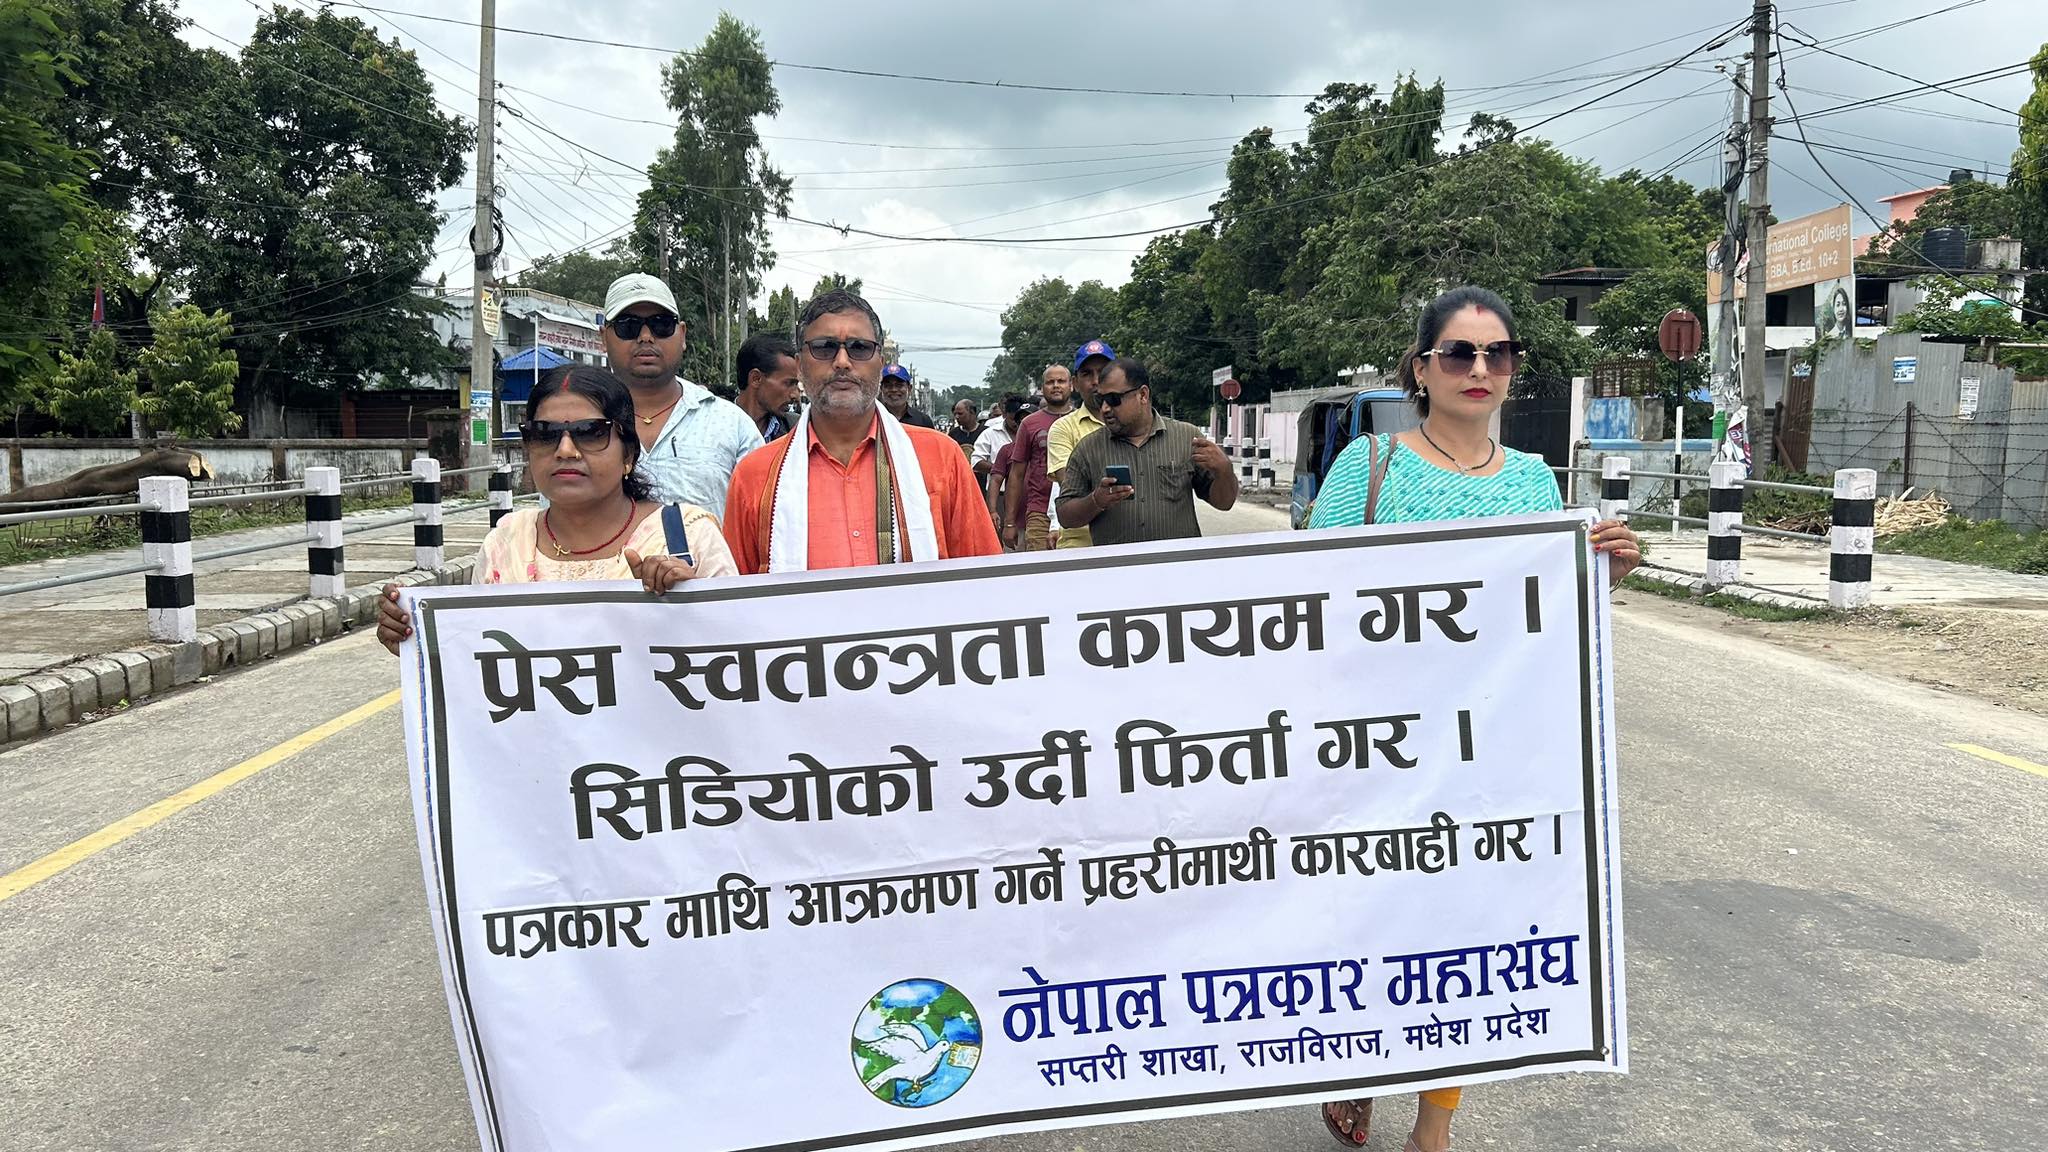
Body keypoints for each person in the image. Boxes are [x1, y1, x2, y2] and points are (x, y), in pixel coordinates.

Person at [1307, 286, 1639, 1152]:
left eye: (1499, 353)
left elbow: (1543, 618)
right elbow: (1307, 600)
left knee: (1464, 932)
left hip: (1486, 753)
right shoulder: (1368, 467)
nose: (1480, 368)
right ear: (1421, 369)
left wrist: (1602, 577)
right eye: (1459, 352)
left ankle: (1434, 1125)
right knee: (1371, 920)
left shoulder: (1533, 480)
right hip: (1376, 747)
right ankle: (1356, 1059)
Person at [375, 365, 738, 653]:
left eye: (590, 432)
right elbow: (477, 664)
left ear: (628, 453)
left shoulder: (687, 538)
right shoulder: (506, 543)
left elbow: (740, 662)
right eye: (545, 433)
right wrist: (414, 637)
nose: (565, 450)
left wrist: (693, 603)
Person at [721, 289, 1001, 574]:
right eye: (824, 347)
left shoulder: (941, 459)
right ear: (800, 366)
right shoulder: (754, 476)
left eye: (859, 347)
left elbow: (986, 581)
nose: (842, 361)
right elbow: (733, 594)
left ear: (880, 362)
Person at [599, 273, 763, 514]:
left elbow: (761, 521)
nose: (646, 337)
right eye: (628, 326)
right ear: (603, 337)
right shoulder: (577, 424)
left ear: (682, 334)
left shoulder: (731, 424)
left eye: (661, 324)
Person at [1055, 360, 1236, 546]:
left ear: (1142, 395)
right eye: (1100, 400)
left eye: (1114, 399)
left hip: (1178, 561)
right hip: (1117, 563)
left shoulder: (1187, 438)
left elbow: (1224, 503)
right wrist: (1096, 501)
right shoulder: (1088, 449)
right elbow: (1065, 516)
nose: (1105, 409)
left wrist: (1224, 470)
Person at [1045, 340, 1113, 549]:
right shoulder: (1063, 429)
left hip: (1132, 540)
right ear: (1075, 382)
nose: (1096, 381)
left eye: (1103, 372)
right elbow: (1072, 486)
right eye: (1087, 374)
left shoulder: (1135, 424)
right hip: (1080, 545)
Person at [1004, 363, 1073, 551]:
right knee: (1040, 564)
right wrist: (1009, 522)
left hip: (1077, 508)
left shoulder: (1082, 421)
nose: (1056, 386)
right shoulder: (1029, 424)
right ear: (1042, 388)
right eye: (1050, 382)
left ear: (1072, 385)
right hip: (1039, 510)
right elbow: (1016, 474)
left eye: (1061, 381)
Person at [734, 331, 801, 441]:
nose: (795, 395)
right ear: (756, 378)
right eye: (789, 383)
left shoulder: (798, 430)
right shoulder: (713, 425)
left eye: (796, 384)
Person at [977, 395, 1027, 526]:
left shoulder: (1037, 440)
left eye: (1022, 420)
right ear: (1005, 414)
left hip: (1032, 499)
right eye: (1013, 419)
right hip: (1001, 496)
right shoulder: (991, 434)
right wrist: (1002, 468)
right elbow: (977, 462)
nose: (1017, 423)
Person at [879, 363, 936, 428]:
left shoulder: (923, 421)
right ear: (881, 389)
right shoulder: (873, 419)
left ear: (909, 388)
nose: (894, 389)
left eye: (899, 385)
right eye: (888, 386)